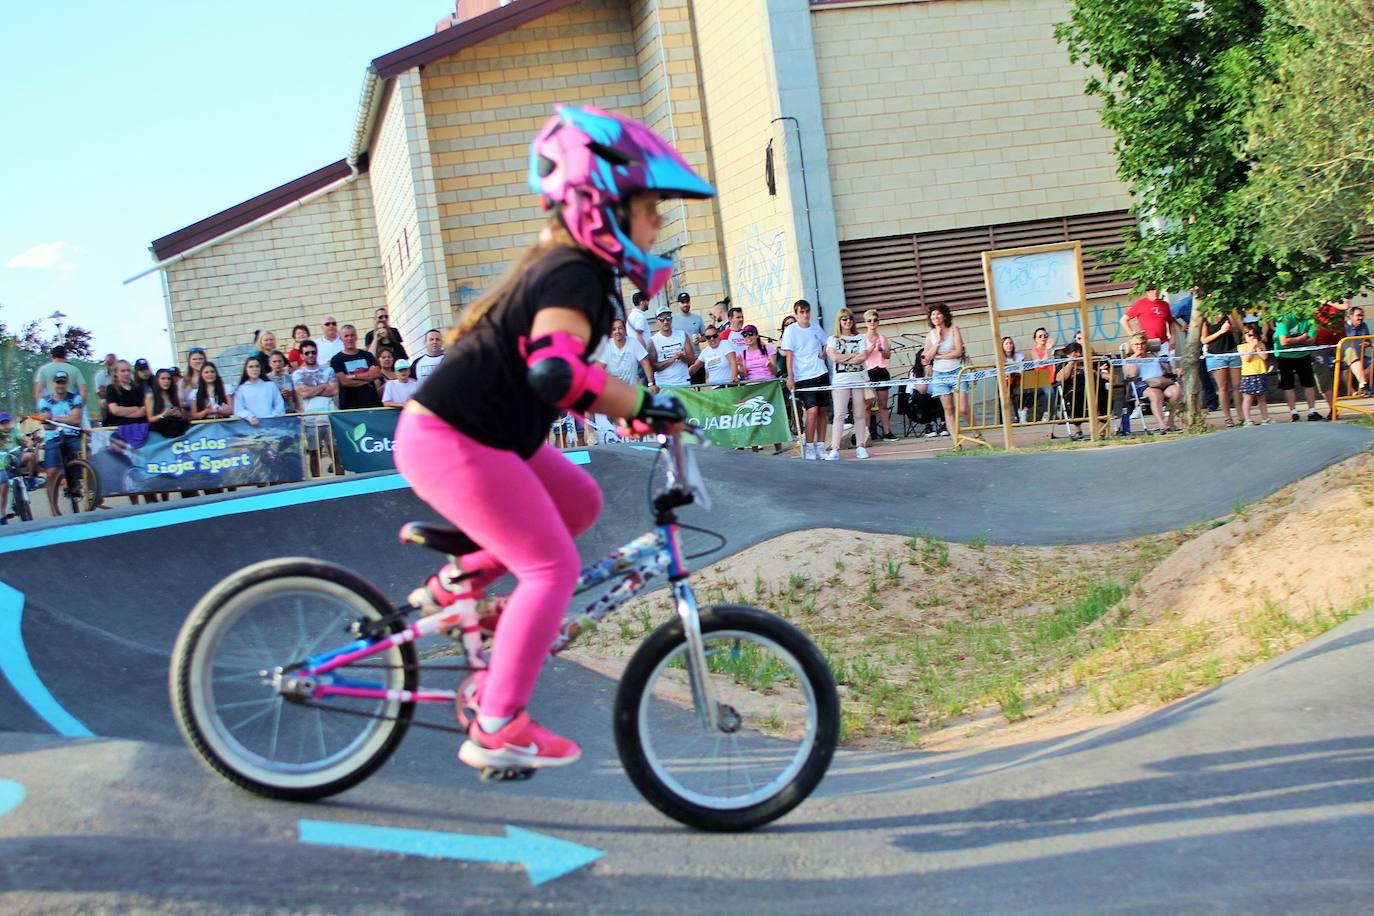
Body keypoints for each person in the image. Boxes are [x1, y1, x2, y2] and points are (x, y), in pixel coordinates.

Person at [394, 104, 698, 771]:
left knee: (580, 502)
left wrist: (633, 409)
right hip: (455, 437)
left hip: (489, 434)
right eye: (651, 211)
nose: (657, 227)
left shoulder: (572, 270)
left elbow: (559, 375)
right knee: (551, 567)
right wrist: (642, 400)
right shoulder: (575, 273)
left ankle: (456, 587)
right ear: (606, 208)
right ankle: (498, 723)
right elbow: (556, 370)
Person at [781, 299, 830, 459]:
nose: (805, 315)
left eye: (807, 311)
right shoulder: (791, 331)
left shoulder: (815, 328)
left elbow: (827, 343)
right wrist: (790, 377)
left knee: (823, 410)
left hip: (820, 372)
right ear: (796, 314)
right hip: (803, 376)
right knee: (812, 411)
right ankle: (809, 445)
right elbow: (789, 355)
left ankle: (821, 445)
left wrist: (824, 354)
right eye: (801, 312)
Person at [36, 374, 85, 514]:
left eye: (63, 382)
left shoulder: (75, 398)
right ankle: (54, 509)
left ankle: (89, 493)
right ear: (54, 384)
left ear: (67, 383)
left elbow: (76, 420)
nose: (61, 385)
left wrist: (55, 419)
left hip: (72, 435)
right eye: (58, 382)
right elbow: (47, 425)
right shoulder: (44, 401)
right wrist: (64, 420)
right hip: (53, 437)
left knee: (86, 457)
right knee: (51, 473)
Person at [826, 309, 870, 459]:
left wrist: (844, 357)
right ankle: (835, 448)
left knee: (859, 413)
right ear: (839, 321)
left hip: (858, 379)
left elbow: (863, 356)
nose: (848, 321)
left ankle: (860, 445)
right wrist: (852, 355)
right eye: (844, 319)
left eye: (850, 319)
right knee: (839, 414)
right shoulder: (833, 338)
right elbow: (834, 357)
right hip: (841, 380)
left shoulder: (860, 337)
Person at [292, 341, 340, 476]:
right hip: (311, 420)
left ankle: (342, 484)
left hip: (330, 417)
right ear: (301, 355)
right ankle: (318, 486)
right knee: (314, 455)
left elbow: (334, 390)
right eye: (307, 353)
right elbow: (304, 393)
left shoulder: (328, 370)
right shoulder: (298, 374)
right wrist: (323, 385)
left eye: (313, 352)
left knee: (336, 453)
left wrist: (312, 390)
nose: (311, 355)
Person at [922, 303, 972, 433]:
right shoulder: (930, 335)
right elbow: (926, 357)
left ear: (944, 316)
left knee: (963, 408)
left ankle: (977, 432)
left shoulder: (954, 329)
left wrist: (938, 357)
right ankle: (956, 441)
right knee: (949, 409)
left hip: (957, 372)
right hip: (939, 374)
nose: (935, 316)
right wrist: (937, 341)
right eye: (933, 314)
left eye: (938, 313)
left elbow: (959, 352)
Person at [1122, 332, 1181, 432]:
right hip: (1143, 385)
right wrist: (1136, 357)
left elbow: (1167, 370)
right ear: (1132, 346)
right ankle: (1162, 425)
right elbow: (1132, 374)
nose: (1140, 346)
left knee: (1176, 391)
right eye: (1136, 344)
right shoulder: (1129, 360)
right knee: (1156, 394)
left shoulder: (1153, 355)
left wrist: (1169, 367)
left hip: (1161, 382)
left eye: (1142, 343)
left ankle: (1170, 422)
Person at [1273, 309, 1323, 421]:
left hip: (1303, 353)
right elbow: (1283, 341)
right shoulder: (1285, 317)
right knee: (1288, 385)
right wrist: (1302, 337)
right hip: (1284, 355)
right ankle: (1294, 413)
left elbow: (1311, 340)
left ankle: (1312, 411)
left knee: (1308, 383)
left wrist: (1295, 339)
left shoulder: (1310, 318)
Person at [1055, 341, 1110, 439]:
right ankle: (1078, 430)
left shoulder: (1088, 363)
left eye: (1079, 351)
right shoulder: (1063, 364)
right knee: (1075, 397)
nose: (1078, 354)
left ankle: (1101, 428)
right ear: (1068, 353)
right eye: (1074, 352)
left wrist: (1090, 370)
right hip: (1074, 391)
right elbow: (1059, 378)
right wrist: (1071, 364)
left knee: (1104, 393)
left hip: (1092, 388)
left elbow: (1098, 374)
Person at [1201, 309, 1243, 426]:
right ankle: (1227, 417)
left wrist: (1230, 316)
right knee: (1223, 386)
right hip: (1216, 354)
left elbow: (1238, 329)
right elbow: (1204, 339)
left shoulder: (1227, 314)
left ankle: (1241, 416)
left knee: (1237, 385)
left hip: (1231, 350)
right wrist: (1221, 331)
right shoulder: (1207, 318)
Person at [331, 324, 383, 409]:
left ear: (356, 336)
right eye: (346, 336)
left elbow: (377, 374)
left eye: (352, 335)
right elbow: (345, 382)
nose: (350, 338)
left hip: (372, 404)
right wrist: (368, 379)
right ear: (341, 338)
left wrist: (354, 376)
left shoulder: (367, 355)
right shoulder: (336, 359)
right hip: (350, 407)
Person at [0, 412, 38, 524]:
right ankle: (2, 515)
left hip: (17, 458)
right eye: (2, 423)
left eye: (7, 422)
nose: (5, 425)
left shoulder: (14, 431)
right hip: (3, 465)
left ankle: (31, 480)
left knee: (31, 456)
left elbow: (24, 438)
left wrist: (29, 443)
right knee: (3, 487)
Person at [863, 310, 896, 440]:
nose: (872, 323)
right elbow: (863, 355)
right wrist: (872, 347)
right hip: (868, 372)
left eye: (875, 320)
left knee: (883, 404)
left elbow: (887, 355)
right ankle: (866, 434)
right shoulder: (862, 338)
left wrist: (881, 348)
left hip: (881, 370)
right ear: (865, 323)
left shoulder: (883, 338)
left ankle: (887, 432)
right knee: (867, 405)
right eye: (869, 320)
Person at [593, 317, 653, 387]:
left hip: (631, 389)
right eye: (614, 329)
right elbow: (598, 368)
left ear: (625, 330)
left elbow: (645, 363)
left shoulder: (633, 342)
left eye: (620, 328)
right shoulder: (606, 346)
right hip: (612, 389)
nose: (617, 331)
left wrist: (651, 383)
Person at [647, 308, 694, 388]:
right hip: (663, 384)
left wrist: (682, 357)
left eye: (668, 318)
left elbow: (692, 359)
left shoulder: (682, 335)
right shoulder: (653, 341)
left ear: (671, 319)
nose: (665, 322)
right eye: (662, 320)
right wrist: (671, 360)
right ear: (657, 321)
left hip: (683, 382)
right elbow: (653, 367)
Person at [233, 356, 285, 426]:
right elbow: (238, 410)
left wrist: (272, 417)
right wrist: (250, 417)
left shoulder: (270, 385)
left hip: (271, 426)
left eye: (257, 366)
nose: (254, 369)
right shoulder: (241, 389)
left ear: (260, 369)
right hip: (251, 428)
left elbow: (279, 405)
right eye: (251, 367)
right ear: (246, 370)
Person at [1238, 324, 1273, 425]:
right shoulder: (1241, 347)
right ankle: (1247, 419)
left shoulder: (1261, 345)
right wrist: (1251, 347)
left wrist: (1258, 348)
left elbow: (1264, 357)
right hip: (1248, 374)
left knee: (1262, 398)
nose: (1252, 337)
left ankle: (1265, 418)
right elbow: (1246, 359)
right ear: (1244, 336)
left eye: (1254, 335)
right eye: (1249, 335)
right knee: (1248, 398)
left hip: (1260, 373)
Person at [1121, 286, 1174, 351]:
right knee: (1150, 361)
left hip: (1163, 342)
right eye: (1153, 290)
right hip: (1147, 342)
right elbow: (1124, 320)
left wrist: (1172, 338)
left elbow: (1171, 323)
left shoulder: (1165, 305)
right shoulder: (1140, 304)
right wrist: (1131, 332)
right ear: (1147, 292)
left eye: (1157, 290)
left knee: (1165, 361)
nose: (1156, 292)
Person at [145, 368, 190, 439]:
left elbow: (181, 413)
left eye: (169, 379)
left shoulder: (174, 395)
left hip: (176, 428)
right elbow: (150, 419)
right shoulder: (151, 396)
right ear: (157, 380)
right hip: (160, 431)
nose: (166, 381)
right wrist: (163, 415)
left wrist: (179, 414)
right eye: (163, 379)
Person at [1023, 327, 1055, 421]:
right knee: (1049, 392)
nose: (1043, 338)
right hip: (1041, 377)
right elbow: (1041, 364)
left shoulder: (1052, 349)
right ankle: (1047, 413)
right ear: (1036, 339)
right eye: (1040, 336)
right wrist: (1047, 350)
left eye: (1045, 335)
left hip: (1054, 376)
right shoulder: (1034, 351)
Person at [1339, 305, 1372, 396]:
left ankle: (1364, 382)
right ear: (1350, 316)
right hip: (1346, 357)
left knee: (1371, 362)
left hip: (1361, 356)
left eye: (1362, 315)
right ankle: (1352, 391)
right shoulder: (1344, 326)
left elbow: (1369, 341)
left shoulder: (1364, 325)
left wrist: (1367, 344)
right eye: (1358, 315)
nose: (1361, 318)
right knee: (1346, 368)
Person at [1001, 336, 1025, 423]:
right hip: (1007, 383)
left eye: (1010, 343)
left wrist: (1013, 373)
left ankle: (1023, 411)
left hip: (1019, 380)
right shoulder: (1000, 359)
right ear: (1002, 346)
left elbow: (1022, 371)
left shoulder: (1019, 356)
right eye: (1006, 344)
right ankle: (1018, 415)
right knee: (1016, 393)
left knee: (1034, 391)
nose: (1009, 345)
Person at [92, 352, 118, 426]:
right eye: (109, 364)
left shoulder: (123, 373)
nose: (111, 367)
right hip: (109, 400)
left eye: (113, 364)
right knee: (103, 402)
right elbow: (101, 394)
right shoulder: (99, 376)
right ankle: (106, 424)